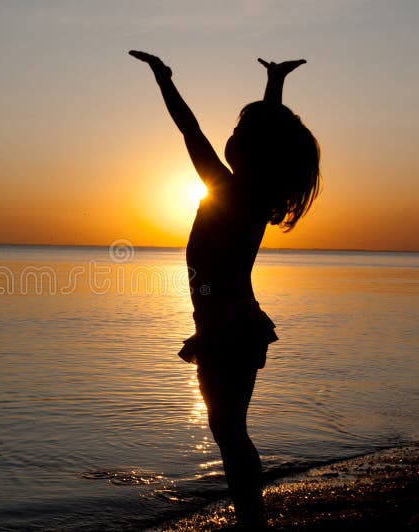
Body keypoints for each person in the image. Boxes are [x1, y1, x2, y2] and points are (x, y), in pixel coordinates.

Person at [129, 51, 321, 529]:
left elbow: (190, 130)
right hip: (233, 323)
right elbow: (267, 133)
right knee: (229, 429)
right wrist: (274, 83)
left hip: (228, 327)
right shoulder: (254, 193)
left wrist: (164, 80)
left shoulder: (230, 189)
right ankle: (250, 518)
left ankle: (251, 521)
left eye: (238, 133)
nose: (230, 137)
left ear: (253, 152)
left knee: (230, 431)